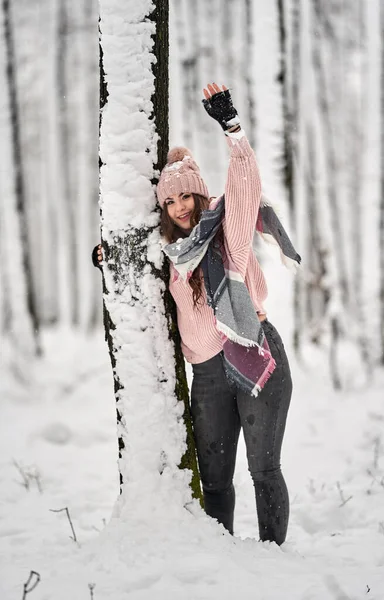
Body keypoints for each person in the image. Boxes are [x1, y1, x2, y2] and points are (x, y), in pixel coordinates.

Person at [93, 82, 299, 545]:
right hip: (206, 374)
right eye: (170, 201)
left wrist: (232, 128)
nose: (180, 207)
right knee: (216, 483)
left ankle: (274, 562)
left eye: (185, 196)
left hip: (254, 354)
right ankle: (219, 564)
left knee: (264, 469)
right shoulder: (172, 256)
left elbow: (246, 184)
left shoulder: (230, 234)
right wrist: (109, 255)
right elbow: (137, 261)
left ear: (200, 196)